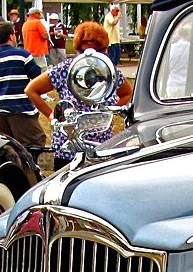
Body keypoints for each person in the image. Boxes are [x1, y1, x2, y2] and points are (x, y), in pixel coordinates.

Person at [25, 21, 133, 170]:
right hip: (68, 147)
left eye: (96, 51)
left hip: (100, 147)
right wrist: (52, 116)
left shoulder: (109, 71)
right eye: (84, 51)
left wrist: (110, 111)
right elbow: (31, 90)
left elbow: (127, 93)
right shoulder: (66, 69)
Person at [0, 21, 45, 159]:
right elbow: (38, 78)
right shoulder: (22, 55)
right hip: (20, 110)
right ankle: (30, 174)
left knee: (6, 150)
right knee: (34, 143)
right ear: (11, 36)